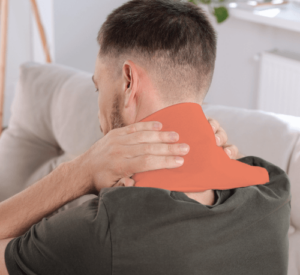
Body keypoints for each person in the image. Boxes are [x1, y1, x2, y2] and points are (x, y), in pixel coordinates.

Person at [0, 0, 291, 274]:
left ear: (129, 81)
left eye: (98, 88)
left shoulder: (104, 228)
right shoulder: (272, 189)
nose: (99, 114)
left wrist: (80, 173)